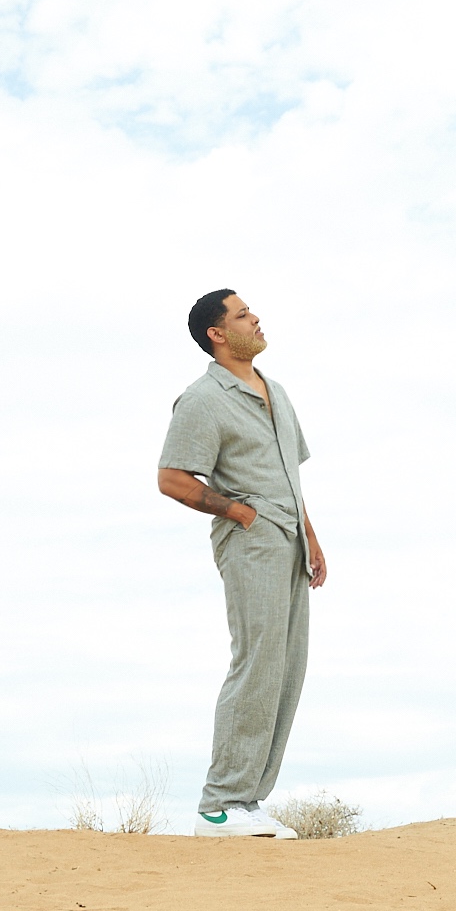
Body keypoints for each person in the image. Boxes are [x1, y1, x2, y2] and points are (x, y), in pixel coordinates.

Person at [156, 289, 328, 838]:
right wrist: (242, 514)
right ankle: (220, 802)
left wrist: (311, 536)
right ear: (218, 334)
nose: (256, 318)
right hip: (251, 542)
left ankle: (249, 803)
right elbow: (173, 479)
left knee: (287, 668)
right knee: (256, 662)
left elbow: (288, 475)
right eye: (242, 314)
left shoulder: (275, 391)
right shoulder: (203, 399)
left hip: (291, 540)